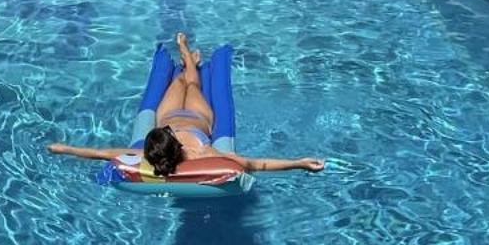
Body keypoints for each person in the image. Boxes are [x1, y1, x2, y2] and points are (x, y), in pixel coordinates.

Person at [46, 33, 325, 178]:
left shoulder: (201, 152)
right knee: (183, 83)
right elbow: (101, 153)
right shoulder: (158, 153)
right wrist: (65, 149)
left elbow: (255, 164)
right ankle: (189, 60)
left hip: (191, 114)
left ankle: (188, 56)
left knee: (189, 84)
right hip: (190, 115)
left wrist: (298, 164)